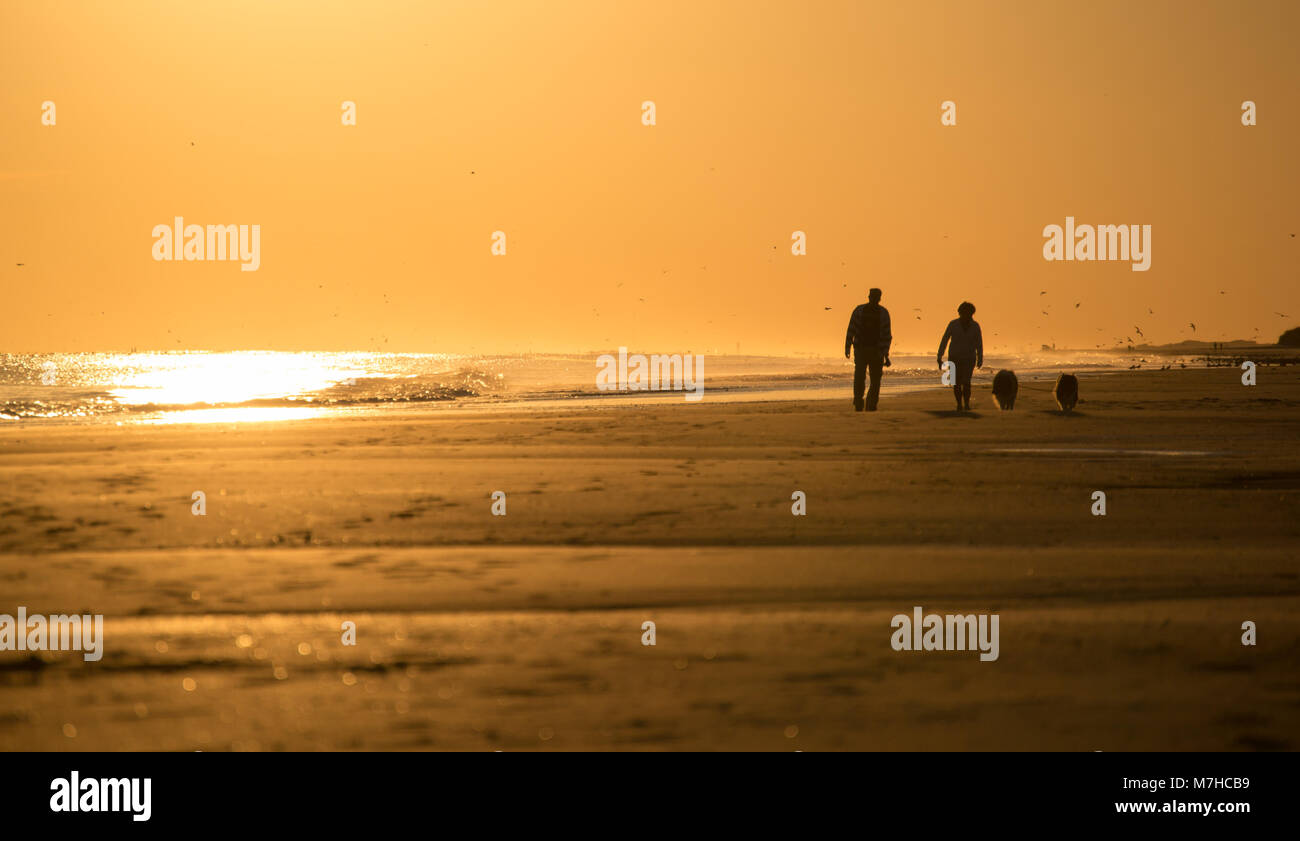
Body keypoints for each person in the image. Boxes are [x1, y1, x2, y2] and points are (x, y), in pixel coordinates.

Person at [844, 288, 892, 411]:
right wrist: (847, 346)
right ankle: (865, 403)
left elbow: (886, 335)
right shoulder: (879, 313)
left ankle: (865, 403)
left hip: (871, 351)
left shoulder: (863, 311)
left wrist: (848, 346)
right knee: (868, 378)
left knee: (867, 378)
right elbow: (887, 336)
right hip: (866, 350)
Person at [937, 301, 983, 411]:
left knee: (966, 382)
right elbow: (945, 340)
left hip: (969, 358)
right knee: (956, 383)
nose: (965, 315)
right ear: (959, 313)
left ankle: (966, 404)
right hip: (954, 358)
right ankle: (959, 404)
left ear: (972, 314)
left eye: (968, 313)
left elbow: (979, 343)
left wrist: (980, 357)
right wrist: (939, 356)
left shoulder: (975, 326)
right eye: (963, 313)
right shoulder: (953, 324)